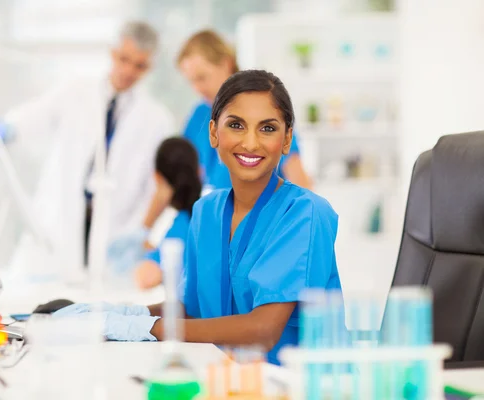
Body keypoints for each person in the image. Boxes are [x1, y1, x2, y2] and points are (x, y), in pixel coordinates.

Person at [54, 70, 341, 365]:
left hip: (300, 387)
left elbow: (263, 329)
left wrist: (145, 328)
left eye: (267, 128)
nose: (251, 143)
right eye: (236, 125)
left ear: (286, 139)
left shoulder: (304, 214)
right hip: (232, 382)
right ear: (214, 133)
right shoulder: (207, 213)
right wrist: (117, 314)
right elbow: (192, 311)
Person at [3, 21, 174, 275]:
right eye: (123, 59)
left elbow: (157, 187)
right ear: (112, 52)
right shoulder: (75, 91)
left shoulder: (157, 119)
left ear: (149, 67)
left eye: (139, 65)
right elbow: (35, 117)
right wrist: (5, 129)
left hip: (115, 234)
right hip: (60, 226)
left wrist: (141, 231)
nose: (128, 71)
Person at [139, 30, 312, 241]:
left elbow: (299, 180)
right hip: (204, 230)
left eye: (202, 77)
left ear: (226, 63)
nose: (197, 88)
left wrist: (304, 238)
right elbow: (176, 182)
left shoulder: (263, 110)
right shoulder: (199, 116)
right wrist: (144, 231)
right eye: (191, 81)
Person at [132, 137, 202, 289]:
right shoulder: (208, 216)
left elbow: (146, 278)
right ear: (200, 171)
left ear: (157, 177)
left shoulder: (176, 226)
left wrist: (148, 222)